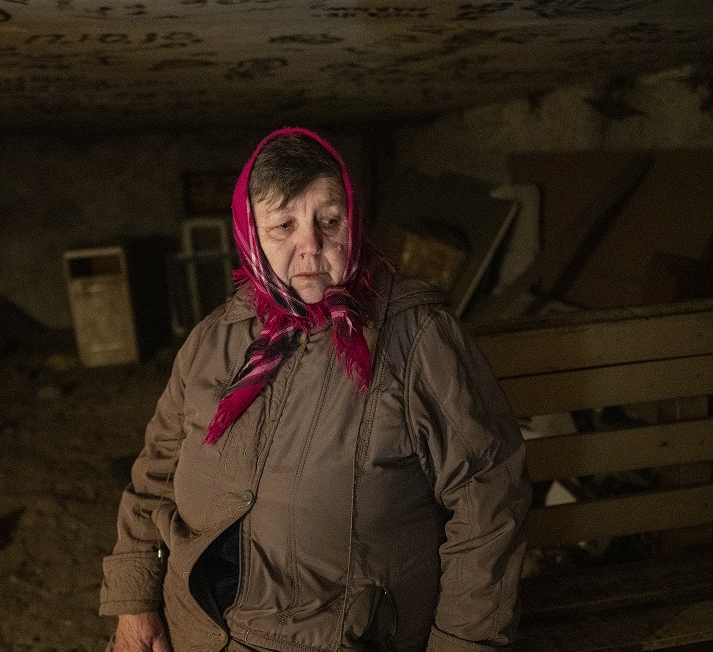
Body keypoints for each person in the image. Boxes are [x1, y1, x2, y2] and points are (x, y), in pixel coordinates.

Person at [99, 127, 530, 652]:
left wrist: (462, 644)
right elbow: (156, 471)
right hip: (197, 631)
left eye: (329, 220)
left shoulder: (417, 337)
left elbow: (489, 495)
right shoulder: (215, 338)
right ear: (251, 234)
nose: (312, 246)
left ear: (354, 221)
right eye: (283, 225)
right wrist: (134, 602)